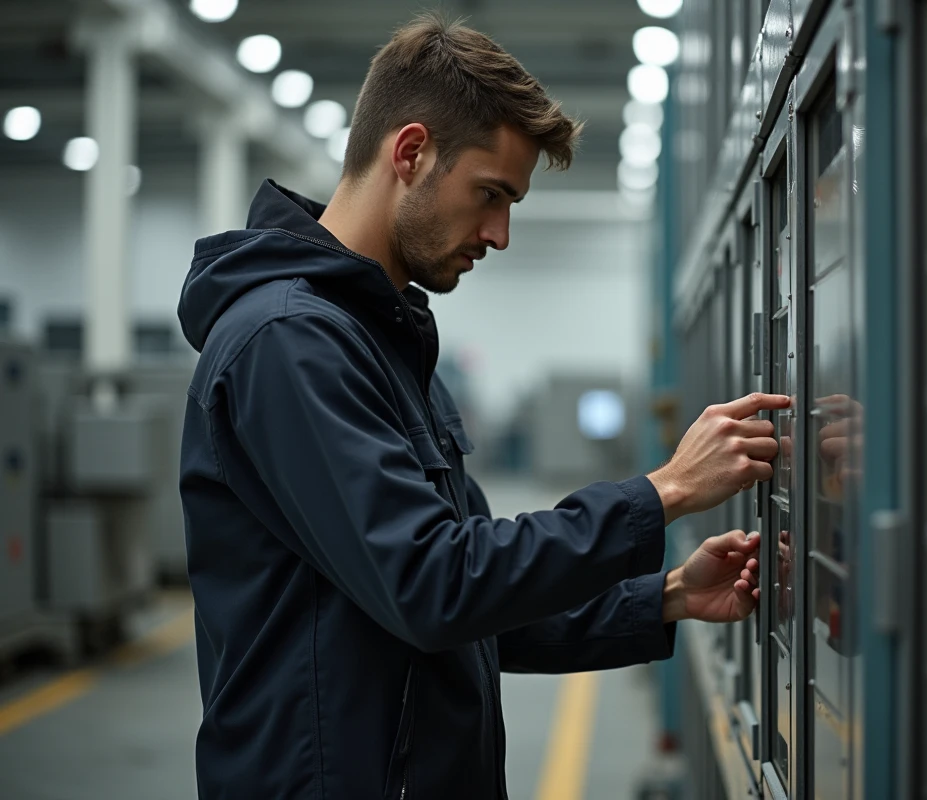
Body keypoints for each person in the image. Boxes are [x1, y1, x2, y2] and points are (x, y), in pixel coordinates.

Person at [176, 13, 790, 800]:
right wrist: (664, 491)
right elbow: (434, 586)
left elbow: (473, 600)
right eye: (490, 195)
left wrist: (665, 599)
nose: (499, 234)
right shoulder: (290, 344)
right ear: (410, 153)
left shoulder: (382, 343)